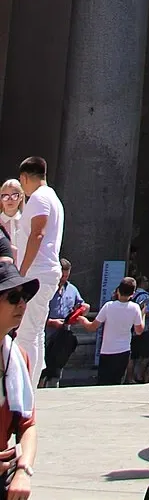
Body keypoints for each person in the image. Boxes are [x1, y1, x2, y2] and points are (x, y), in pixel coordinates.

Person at [0, 258, 40, 500]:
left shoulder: (18, 356)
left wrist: (24, 470)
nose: (22, 304)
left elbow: (28, 424)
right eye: (13, 297)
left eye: (24, 297)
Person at [12, 160, 62, 387]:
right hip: (44, 273)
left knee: (26, 332)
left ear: (24, 177)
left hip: (36, 273)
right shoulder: (52, 198)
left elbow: (37, 234)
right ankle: (30, 386)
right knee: (36, 331)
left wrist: (22, 272)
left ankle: (25, 387)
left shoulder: (39, 198)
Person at [89, 276, 145, 385]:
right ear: (133, 294)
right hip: (123, 351)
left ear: (118, 290)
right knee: (117, 383)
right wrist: (143, 314)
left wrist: (82, 320)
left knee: (103, 383)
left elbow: (93, 326)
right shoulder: (135, 308)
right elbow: (139, 330)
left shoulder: (108, 306)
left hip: (107, 351)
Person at [43, 262, 87, 387]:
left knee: (57, 367)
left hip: (62, 336)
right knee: (43, 368)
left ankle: (53, 387)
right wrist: (51, 322)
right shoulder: (46, 288)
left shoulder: (72, 289)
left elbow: (81, 304)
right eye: (62, 276)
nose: (63, 279)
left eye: (66, 276)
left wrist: (83, 309)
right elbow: (34, 314)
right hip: (46, 335)